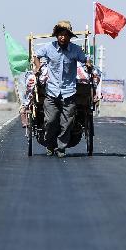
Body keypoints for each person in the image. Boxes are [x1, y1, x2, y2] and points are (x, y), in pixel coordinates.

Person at [34, 20, 89, 158]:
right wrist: (37, 66)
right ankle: (50, 145)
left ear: (69, 37)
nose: (62, 37)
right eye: (60, 34)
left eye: (65, 35)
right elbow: (37, 55)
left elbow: (85, 59)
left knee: (67, 123)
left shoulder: (76, 50)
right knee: (50, 121)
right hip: (51, 92)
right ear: (57, 35)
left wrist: (88, 65)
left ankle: (61, 148)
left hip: (69, 92)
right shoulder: (49, 47)